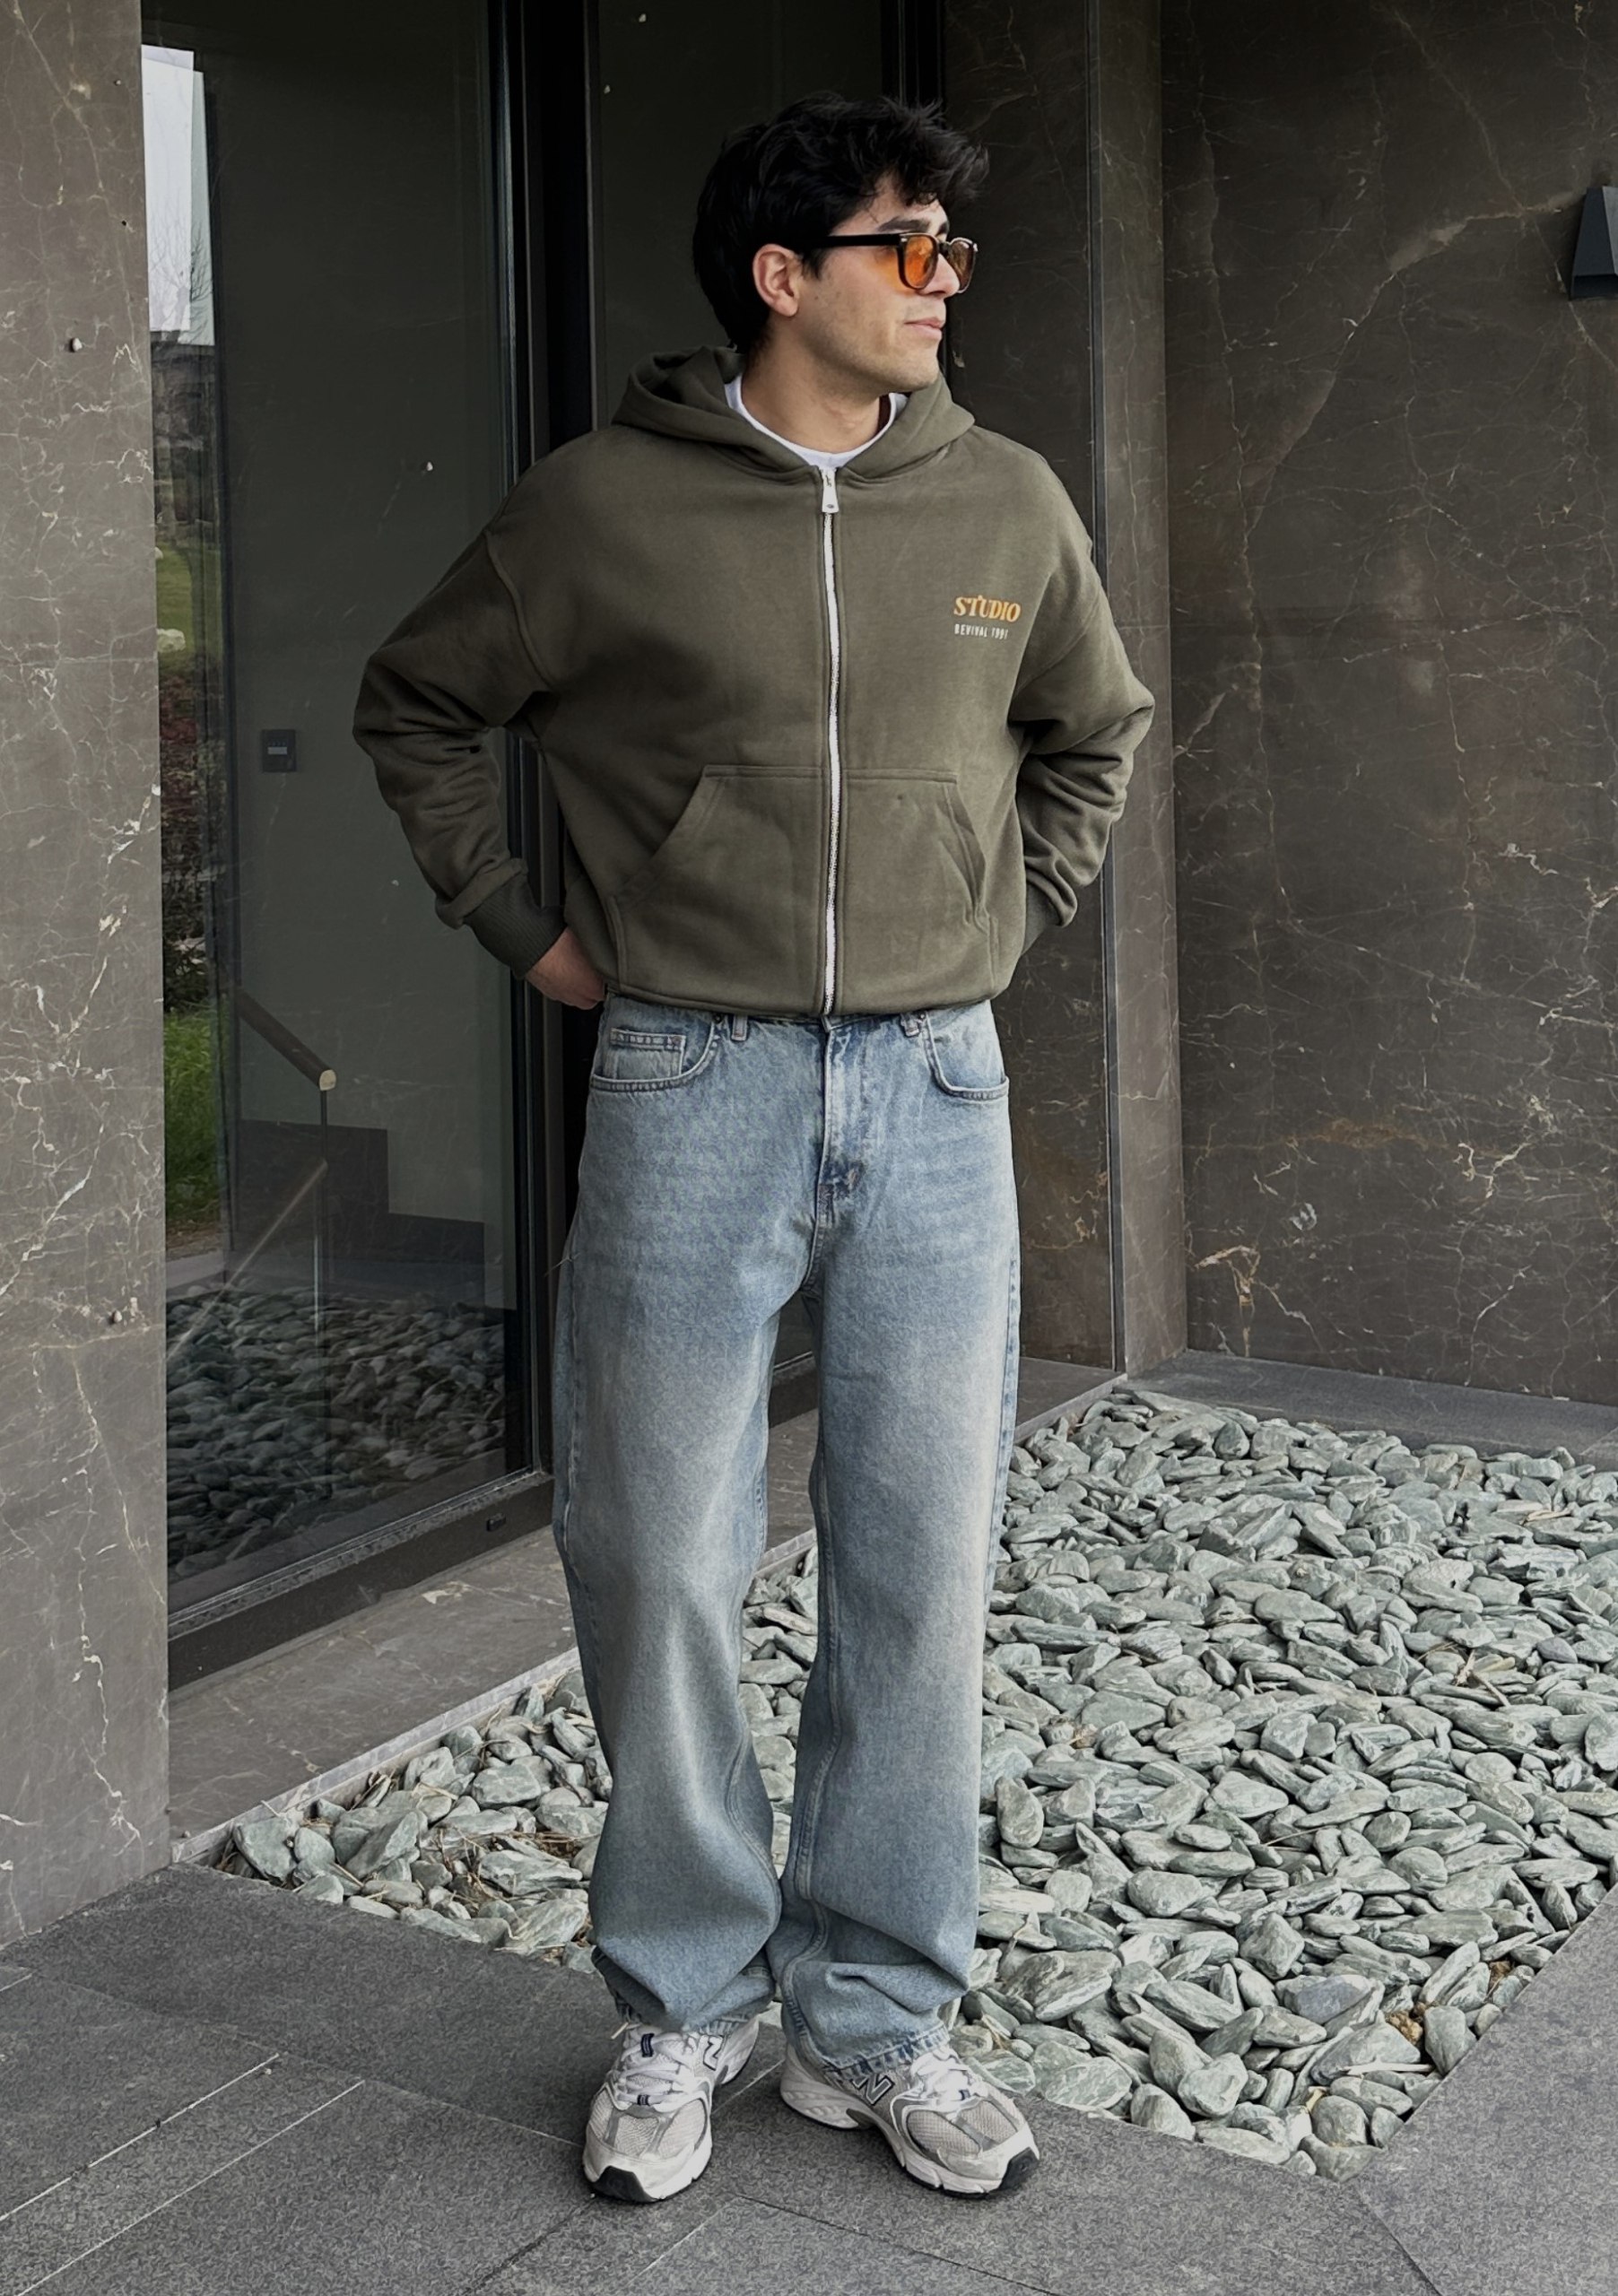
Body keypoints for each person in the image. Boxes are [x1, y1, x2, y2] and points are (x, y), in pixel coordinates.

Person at [352, 90, 1153, 2207]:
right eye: (911, 247)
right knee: (655, 1555)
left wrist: (1000, 919)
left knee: (917, 1561)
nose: (945, 283)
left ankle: (871, 2018)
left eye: (955, 250)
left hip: (937, 1091)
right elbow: (416, 705)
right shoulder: (599, 506)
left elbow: (1094, 730)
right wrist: (521, 926)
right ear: (783, 276)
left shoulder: (1003, 501)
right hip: (685, 1079)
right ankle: (685, 1998)